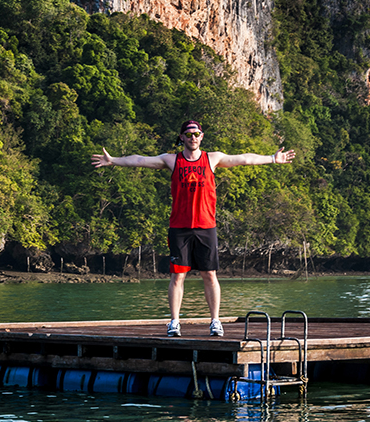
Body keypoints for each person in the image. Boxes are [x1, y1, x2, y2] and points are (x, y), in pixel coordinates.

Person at [91, 120, 295, 337]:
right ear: (182, 138)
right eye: (188, 134)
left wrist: (272, 158)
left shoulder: (212, 158)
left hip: (206, 227)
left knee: (210, 274)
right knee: (177, 277)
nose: (193, 137)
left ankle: (215, 321)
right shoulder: (172, 160)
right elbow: (140, 160)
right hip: (179, 228)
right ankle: (174, 322)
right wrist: (113, 161)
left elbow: (244, 159)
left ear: (202, 136)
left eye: (196, 134)